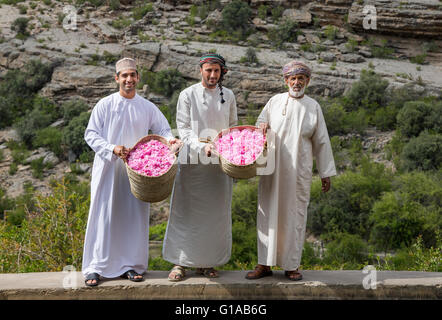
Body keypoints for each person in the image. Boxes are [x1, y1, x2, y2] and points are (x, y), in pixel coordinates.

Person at [82, 57, 181, 286]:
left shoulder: (146, 106)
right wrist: (111, 148)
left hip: (137, 173)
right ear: (117, 78)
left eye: (132, 75)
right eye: (124, 75)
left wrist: (170, 140)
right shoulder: (105, 104)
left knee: (132, 216)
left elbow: (164, 128)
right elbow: (91, 134)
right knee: (104, 216)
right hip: (109, 170)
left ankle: (131, 266)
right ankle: (96, 267)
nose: (129, 79)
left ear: (137, 78)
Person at [246, 60, 336, 281]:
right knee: (267, 213)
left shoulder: (314, 106)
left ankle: (291, 265)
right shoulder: (274, 101)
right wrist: (262, 126)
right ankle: (263, 264)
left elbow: (322, 141)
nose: (297, 82)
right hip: (272, 170)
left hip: (298, 171)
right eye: (293, 78)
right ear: (286, 80)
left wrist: (325, 172)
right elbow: (260, 122)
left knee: (294, 216)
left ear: (308, 81)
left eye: (301, 79)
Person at [162, 53, 238, 281]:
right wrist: (201, 147)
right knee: (185, 213)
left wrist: (231, 151)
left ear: (222, 72)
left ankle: (208, 263)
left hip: (219, 166)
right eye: (209, 70)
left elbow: (233, 127)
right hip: (192, 163)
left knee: (216, 215)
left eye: (217, 71)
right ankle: (180, 263)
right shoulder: (187, 95)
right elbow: (183, 130)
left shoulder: (229, 96)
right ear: (201, 70)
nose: (212, 75)